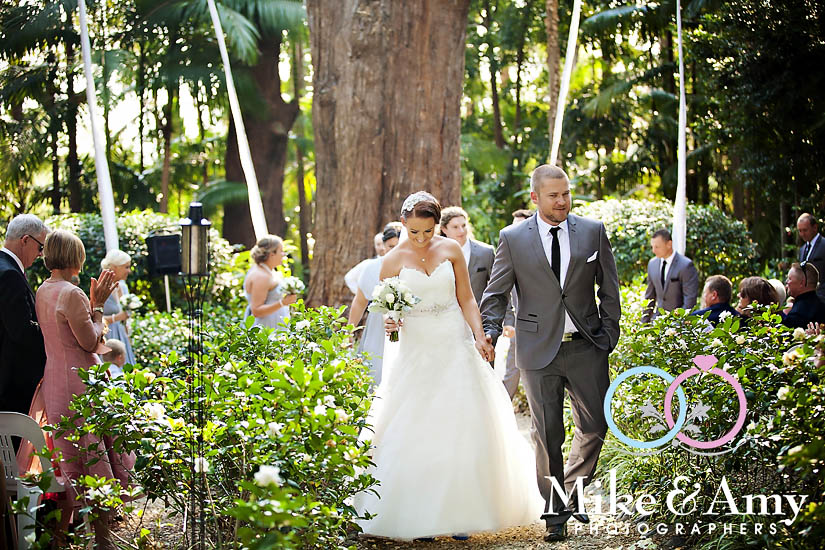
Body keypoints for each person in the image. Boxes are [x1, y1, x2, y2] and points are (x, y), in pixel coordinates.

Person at [355, 192, 542, 540]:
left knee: (462, 422)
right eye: (414, 232)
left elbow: (466, 298)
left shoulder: (451, 250)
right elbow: (388, 312)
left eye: (427, 231)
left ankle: (462, 514)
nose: (421, 238)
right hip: (416, 347)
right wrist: (391, 322)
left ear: (437, 226)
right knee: (418, 425)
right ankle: (422, 516)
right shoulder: (392, 260)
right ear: (403, 224)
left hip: (454, 341)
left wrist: (479, 336)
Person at [480, 165, 621, 542]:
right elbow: (495, 293)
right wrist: (490, 331)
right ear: (535, 197)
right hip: (536, 349)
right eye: (553, 195)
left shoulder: (592, 231)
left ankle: (570, 491)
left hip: (587, 346)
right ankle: (555, 515)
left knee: (596, 425)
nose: (562, 201)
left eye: (566, 194)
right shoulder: (512, 238)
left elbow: (609, 287)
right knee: (547, 434)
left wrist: (609, 333)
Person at [35, 229, 134, 549]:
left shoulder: (43, 290)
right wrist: (98, 305)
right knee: (93, 458)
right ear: (75, 258)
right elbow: (90, 341)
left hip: (55, 380)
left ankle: (64, 538)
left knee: (71, 460)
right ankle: (102, 541)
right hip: (79, 381)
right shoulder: (71, 293)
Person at [0, 214, 49, 416]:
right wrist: (54, 328)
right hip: (11, 384)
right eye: (40, 247)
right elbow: (21, 330)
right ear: (26, 240)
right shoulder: (9, 274)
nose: (41, 254)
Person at [347, 225, 401, 385]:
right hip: (379, 326)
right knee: (376, 369)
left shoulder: (414, 267)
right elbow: (359, 301)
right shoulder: (371, 268)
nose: (395, 251)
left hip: (408, 324)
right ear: (383, 246)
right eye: (391, 246)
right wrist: (349, 330)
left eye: (399, 246)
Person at [502, 209, 532, 399]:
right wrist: (509, 321)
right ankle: (503, 406)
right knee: (512, 371)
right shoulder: (509, 252)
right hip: (519, 324)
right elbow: (503, 291)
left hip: (546, 327)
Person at [439, 206, 495, 305]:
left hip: (479, 312)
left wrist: (508, 315)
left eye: (464, 225)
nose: (461, 231)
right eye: (455, 227)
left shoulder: (486, 252)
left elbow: (499, 287)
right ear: (444, 229)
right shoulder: (437, 254)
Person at [641, 229, 698, 322]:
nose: (653, 250)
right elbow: (650, 297)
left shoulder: (686, 265)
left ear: (669, 244)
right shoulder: (652, 264)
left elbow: (690, 300)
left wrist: (679, 323)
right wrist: (644, 324)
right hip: (657, 321)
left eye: (657, 247)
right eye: (652, 247)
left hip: (679, 323)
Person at [243, 235, 297, 329]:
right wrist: (282, 303)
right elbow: (256, 311)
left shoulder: (268, 271)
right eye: (281, 251)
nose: (283, 254)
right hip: (266, 327)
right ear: (272, 254)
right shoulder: (261, 276)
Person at [100, 249, 136, 366]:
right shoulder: (101, 287)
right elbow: (94, 318)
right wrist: (117, 317)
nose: (129, 271)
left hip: (122, 336)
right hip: (108, 337)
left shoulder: (123, 287)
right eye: (126, 267)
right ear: (115, 267)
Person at [782, 263, 825, 328]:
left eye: (789, 278)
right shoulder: (822, 305)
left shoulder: (796, 315)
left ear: (802, 282)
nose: (786, 281)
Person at [797, 213, 825, 303]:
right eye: (800, 231)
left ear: (815, 228)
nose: (802, 234)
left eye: (805, 230)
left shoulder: (823, 245)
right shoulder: (802, 249)